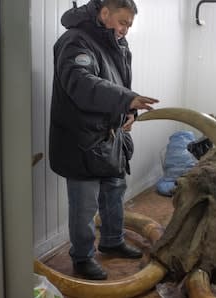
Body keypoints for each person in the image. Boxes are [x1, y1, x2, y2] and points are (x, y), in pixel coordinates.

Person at [49, 0, 159, 280]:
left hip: (111, 137)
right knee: (84, 206)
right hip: (81, 141)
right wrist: (125, 99)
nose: (126, 30)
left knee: (114, 191)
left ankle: (112, 240)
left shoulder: (117, 44)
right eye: (123, 22)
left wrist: (129, 111)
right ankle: (83, 257)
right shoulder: (75, 41)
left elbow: (119, 86)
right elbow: (82, 83)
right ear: (104, 13)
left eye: (129, 25)